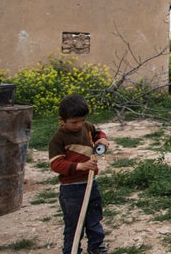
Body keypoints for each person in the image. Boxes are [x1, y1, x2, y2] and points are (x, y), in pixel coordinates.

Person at [48, 94, 110, 254]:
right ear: (62, 120)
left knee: (94, 218)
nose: (79, 125)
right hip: (71, 190)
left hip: (91, 184)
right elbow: (56, 164)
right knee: (74, 223)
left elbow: (98, 133)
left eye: (82, 120)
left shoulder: (86, 127)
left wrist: (102, 140)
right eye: (74, 122)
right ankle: (71, 249)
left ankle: (96, 245)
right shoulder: (58, 139)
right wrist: (80, 166)